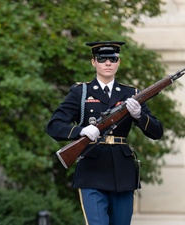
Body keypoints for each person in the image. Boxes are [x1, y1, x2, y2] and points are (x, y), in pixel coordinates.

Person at [46, 41, 163, 225]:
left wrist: (139, 116)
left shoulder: (131, 93)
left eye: (113, 58)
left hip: (122, 172)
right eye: (102, 59)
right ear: (94, 62)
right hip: (92, 170)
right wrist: (80, 130)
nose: (108, 63)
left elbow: (157, 132)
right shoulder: (81, 92)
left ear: (119, 62)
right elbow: (54, 126)